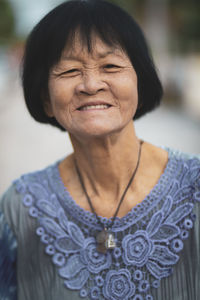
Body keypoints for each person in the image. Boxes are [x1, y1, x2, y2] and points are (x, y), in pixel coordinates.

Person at [0, 0, 199, 299]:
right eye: (69, 71)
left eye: (110, 66)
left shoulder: (194, 188)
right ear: (45, 99)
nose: (90, 84)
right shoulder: (19, 209)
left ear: (140, 84)